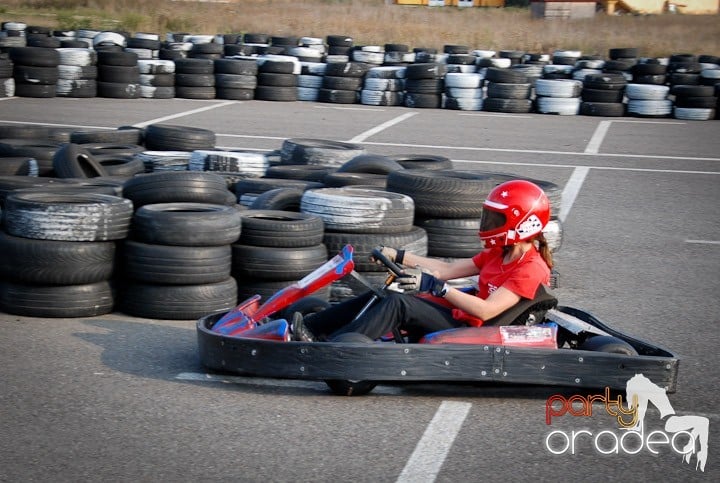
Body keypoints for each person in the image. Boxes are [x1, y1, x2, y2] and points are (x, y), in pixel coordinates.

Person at [292, 179, 554, 343]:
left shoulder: (530, 268)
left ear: (521, 224)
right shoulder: (500, 253)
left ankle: (333, 348)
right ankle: (311, 329)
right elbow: (447, 270)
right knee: (384, 294)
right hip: (460, 317)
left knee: (399, 304)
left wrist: (436, 286)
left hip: (474, 330)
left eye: (497, 219)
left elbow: (486, 311)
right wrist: (399, 255)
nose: (489, 225)